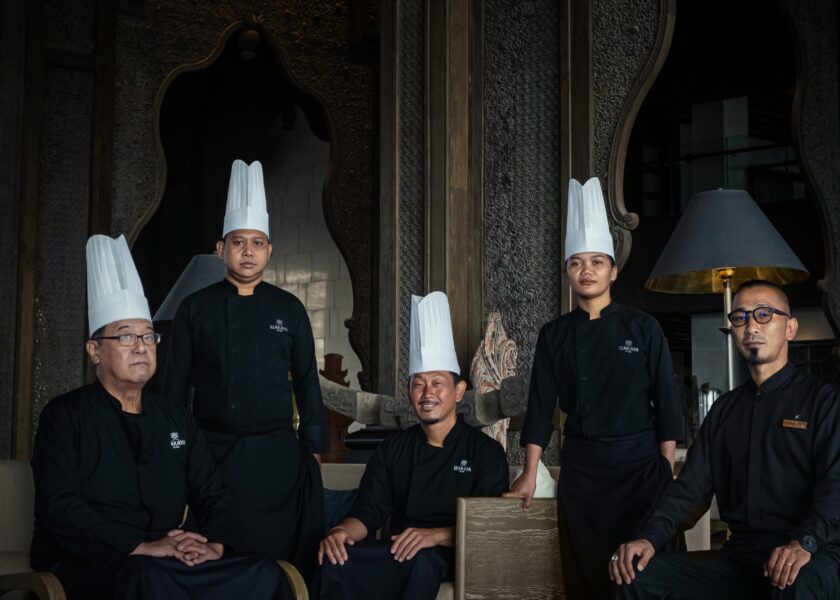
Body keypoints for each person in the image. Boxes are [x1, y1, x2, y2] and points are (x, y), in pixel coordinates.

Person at [31, 234, 292, 600]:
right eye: (125, 337)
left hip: (168, 558)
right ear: (94, 351)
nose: (140, 347)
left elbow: (212, 495)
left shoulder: (175, 419)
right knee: (148, 578)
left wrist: (213, 545)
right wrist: (138, 545)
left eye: (148, 336)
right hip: (94, 561)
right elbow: (60, 508)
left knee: (264, 573)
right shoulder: (64, 416)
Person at [507, 178, 683, 599]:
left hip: (641, 468)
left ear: (613, 270)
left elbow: (668, 401)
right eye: (577, 263)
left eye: (597, 262)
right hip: (584, 471)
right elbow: (539, 407)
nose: (587, 271)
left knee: (647, 575)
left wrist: (663, 466)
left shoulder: (644, 328)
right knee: (588, 576)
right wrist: (530, 472)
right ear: (568, 272)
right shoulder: (554, 335)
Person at [611, 280, 840, 599]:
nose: (750, 326)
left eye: (763, 314)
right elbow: (691, 489)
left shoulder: (824, 402)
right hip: (740, 557)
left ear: (790, 328)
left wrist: (806, 543)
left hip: (811, 552)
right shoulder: (724, 410)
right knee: (635, 576)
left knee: (792, 582)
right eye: (740, 317)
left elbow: (836, 485)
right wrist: (648, 538)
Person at [164, 160, 327, 582]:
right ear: (221, 249)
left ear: (270, 250)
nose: (249, 251)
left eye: (257, 242)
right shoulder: (194, 309)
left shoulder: (289, 309)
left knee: (275, 559)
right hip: (210, 452)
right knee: (213, 558)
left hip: (275, 456)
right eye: (239, 242)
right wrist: (176, 449)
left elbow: (308, 382)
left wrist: (311, 447)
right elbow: (174, 387)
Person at [316, 292, 509, 600]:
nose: (426, 393)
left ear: (458, 391)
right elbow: (369, 511)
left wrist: (434, 536)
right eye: (418, 383)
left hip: (449, 552)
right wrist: (340, 533)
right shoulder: (393, 450)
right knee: (335, 559)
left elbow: (488, 525)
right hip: (398, 546)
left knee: (422, 561)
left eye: (437, 383)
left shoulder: (485, 453)